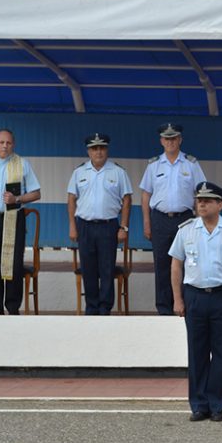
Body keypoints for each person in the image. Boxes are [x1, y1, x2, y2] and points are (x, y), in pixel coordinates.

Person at [169, 182, 222, 422]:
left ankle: (217, 404)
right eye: (199, 200)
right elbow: (176, 264)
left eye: (207, 200)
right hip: (194, 296)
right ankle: (198, 404)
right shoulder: (186, 230)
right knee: (197, 352)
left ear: (220, 204)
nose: (201, 204)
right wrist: (177, 299)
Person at [139, 123, 206, 315]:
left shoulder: (191, 164)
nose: (170, 142)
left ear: (180, 140)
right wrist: (146, 222)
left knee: (188, 263)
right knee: (162, 265)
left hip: (184, 220)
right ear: (161, 141)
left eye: (174, 138)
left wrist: (200, 221)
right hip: (159, 219)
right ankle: (164, 308)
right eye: (166, 139)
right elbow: (145, 196)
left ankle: (185, 306)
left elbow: (200, 193)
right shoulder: (153, 165)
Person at [0, 128, 41, 315]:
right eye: (1, 142)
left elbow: (37, 193)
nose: (5, 146)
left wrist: (17, 199)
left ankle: (13, 308)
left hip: (14, 219)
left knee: (14, 263)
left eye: (8, 143)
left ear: (14, 144)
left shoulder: (22, 164)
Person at [67, 133, 133, 315]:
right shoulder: (79, 172)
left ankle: (105, 309)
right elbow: (71, 199)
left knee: (106, 269)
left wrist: (124, 227)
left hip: (108, 226)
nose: (98, 152)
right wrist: (72, 226)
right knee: (88, 269)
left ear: (107, 150)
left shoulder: (118, 172)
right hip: (85, 226)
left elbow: (127, 200)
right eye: (94, 148)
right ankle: (91, 308)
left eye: (102, 148)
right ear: (88, 151)